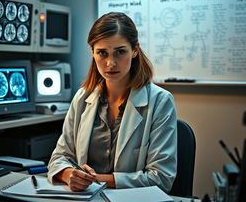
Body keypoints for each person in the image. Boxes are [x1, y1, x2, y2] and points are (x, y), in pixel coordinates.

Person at [47, 12, 177, 193]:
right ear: (92, 52)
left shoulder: (160, 101)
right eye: (102, 53)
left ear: (135, 50)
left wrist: (94, 180)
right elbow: (59, 157)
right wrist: (69, 175)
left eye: (120, 52)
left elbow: (161, 178)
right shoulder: (83, 98)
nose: (110, 63)